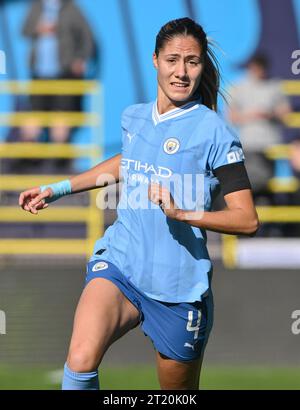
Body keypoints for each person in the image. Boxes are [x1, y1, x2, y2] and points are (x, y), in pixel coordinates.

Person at [18, 18, 259, 390]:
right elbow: (126, 162)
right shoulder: (134, 117)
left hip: (178, 288)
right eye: (172, 60)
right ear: (155, 60)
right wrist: (59, 188)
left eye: (192, 62)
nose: (181, 72)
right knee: (79, 362)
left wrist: (182, 213)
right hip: (121, 263)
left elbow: (246, 220)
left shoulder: (215, 132)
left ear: (202, 67)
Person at [21, 0, 95, 147]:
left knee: (61, 117)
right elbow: (24, 30)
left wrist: (80, 59)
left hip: (64, 74)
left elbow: (88, 37)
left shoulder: (71, 8)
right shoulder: (36, 6)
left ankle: (59, 160)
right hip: (40, 74)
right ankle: (31, 158)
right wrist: (38, 28)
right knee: (34, 116)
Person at [228, 54, 291, 201]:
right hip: (249, 144)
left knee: (265, 186)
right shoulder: (239, 87)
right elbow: (231, 117)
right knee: (254, 184)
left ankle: (263, 219)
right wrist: (251, 115)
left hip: (270, 145)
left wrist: (270, 114)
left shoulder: (275, 86)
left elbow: (285, 114)